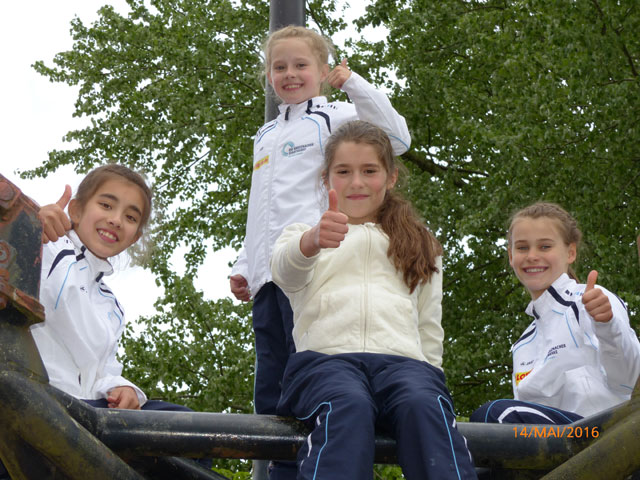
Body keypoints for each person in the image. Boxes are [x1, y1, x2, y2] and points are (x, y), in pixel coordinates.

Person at [229, 23, 411, 457]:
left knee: (311, 375)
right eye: (279, 67)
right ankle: (279, 467)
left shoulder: (337, 117)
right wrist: (243, 265)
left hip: (316, 269)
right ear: (268, 75)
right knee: (271, 383)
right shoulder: (265, 135)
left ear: (323, 69)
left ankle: (324, 461)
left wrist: (355, 85)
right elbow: (264, 207)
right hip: (269, 277)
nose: (289, 74)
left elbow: (398, 139)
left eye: (300, 65)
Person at [270, 121, 476, 479]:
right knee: (348, 405)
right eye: (343, 171)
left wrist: (432, 376)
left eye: (369, 171)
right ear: (326, 179)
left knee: (425, 406)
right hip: (326, 362)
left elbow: (429, 322)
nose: (357, 183)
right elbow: (284, 273)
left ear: (391, 177)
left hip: (404, 364)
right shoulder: (305, 234)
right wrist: (313, 241)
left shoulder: (420, 242)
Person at [30, 165, 211, 468]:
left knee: (199, 434)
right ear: (75, 209)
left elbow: (102, 371)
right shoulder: (47, 248)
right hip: (40, 401)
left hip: (90, 411)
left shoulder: (111, 307)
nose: (115, 220)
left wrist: (123, 388)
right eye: (106, 205)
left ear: (135, 236)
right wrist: (28, 226)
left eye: (130, 216)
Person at [471, 202, 640, 425]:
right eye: (522, 248)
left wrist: (607, 325)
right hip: (554, 446)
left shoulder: (590, 300)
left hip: (602, 435)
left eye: (544, 247)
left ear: (570, 252)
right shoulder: (522, 345)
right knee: (473, 439)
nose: (531, 256)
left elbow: (629, 380)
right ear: (511, 257)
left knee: (494, 414)